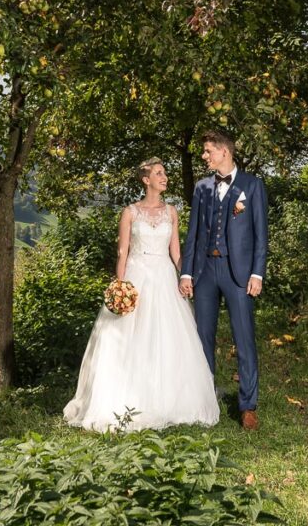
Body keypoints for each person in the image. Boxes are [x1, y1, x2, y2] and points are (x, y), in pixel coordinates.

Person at [63, 158, 220, 431]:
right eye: (159, 173)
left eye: (165, 172)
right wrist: (120, 286)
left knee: (168, 336)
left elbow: (176, 252)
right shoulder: (130, 212)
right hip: (137, 276)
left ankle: (170, 399)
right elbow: (122, 251)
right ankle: (129, 397)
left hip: (163, 276)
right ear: (146, 180)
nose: (165, 177)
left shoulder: (171, 211)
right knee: (129, 335)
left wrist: (186, 276)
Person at [179, 130, 268, 430]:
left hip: (239, 274)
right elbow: (193, 233)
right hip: (205, 272)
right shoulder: (202, 187)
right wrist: (187, 272)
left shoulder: (251, 185)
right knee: (203, 338)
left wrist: (257, 273)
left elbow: (260, 234)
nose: (204, 157)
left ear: (224, 152)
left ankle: (248, 406)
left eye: (207, 151)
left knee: (244, 338)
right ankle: (205, 400)